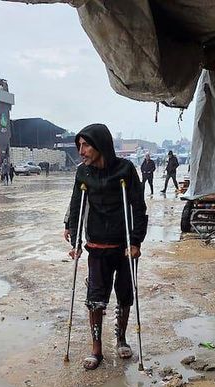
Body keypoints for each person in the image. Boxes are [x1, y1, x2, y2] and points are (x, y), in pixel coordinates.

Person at [64, 123, 148, 370]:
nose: (81, 151)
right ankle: (97, 349)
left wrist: (136, 241)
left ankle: (121, 338)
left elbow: (138, 206)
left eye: (86, 145)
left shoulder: (125, 169)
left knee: (124, 295)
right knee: (95, 299)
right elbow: (77, 205)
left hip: (123, 246)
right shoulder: (83, 173)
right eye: (79, 145)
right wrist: (75, 241)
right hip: (97, 246)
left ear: (101, 145)